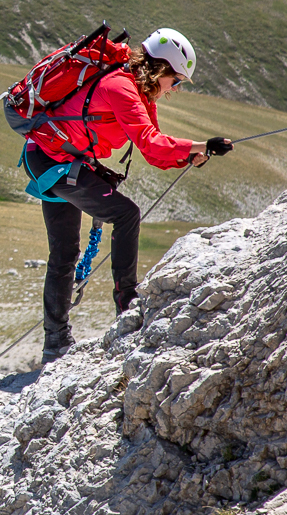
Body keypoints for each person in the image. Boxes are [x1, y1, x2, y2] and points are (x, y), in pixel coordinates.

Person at [24, 27, 231, 364]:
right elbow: (150, 143)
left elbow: (153, 148)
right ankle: (127, 305)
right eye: (175, 80)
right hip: (52, 159)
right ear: (162, 68)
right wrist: (201, 145)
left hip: (50, 155)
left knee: (64, 252)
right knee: (125, 215)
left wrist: (189, 154)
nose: (173, 89)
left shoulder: (138, 92)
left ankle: (55, 344)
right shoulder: (120, 87)